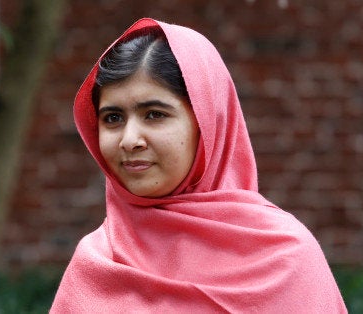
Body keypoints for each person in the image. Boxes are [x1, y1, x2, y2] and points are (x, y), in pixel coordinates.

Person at [51, 18, 347, 313]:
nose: (129, 140)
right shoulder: (97, 264)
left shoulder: (284, 257)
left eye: (154, 114)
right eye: (113, 118)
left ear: (207, 121)